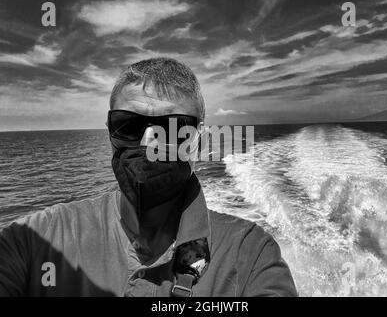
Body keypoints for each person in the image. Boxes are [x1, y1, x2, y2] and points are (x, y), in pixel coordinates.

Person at [0, 57, 297, 297]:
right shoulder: (35, 238)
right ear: (110, 133)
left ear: (199, 141)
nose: (147, 142)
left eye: (171, 128)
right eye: (128, 125)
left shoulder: (249, 254)